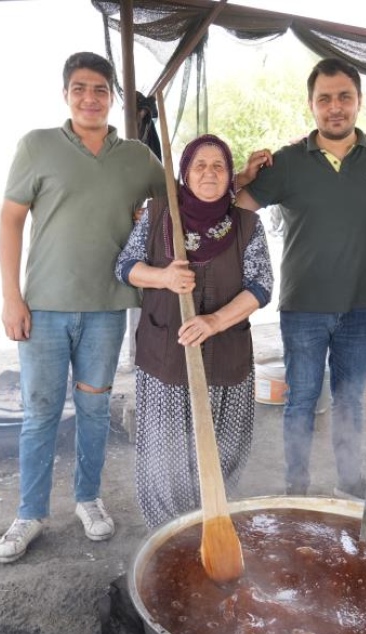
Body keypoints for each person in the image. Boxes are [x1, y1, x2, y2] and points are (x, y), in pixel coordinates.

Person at [235, 57, 366, 505]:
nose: (335, 107)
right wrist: (240, 177)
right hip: (303, 306)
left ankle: (349, 481)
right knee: (302, 402)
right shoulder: (285, 163)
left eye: (344, 96)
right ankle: (297, 490)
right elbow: (234, 209)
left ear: (358, 101)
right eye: (324, 98)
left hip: (362, 306)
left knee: (350, 402)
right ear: (311, 105)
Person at [0, 51, 167, 563]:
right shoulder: (37, 147)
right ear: (66, 94)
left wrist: (239, 176)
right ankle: (29, 513)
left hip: (108, 308)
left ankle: (88, 499)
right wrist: (10, 296)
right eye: (80, 89)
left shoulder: (136, 156)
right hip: (42, 308)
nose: (90, 98)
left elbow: (183, 201)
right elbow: (9, 222)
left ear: (112, 97)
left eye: (100, 90)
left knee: (94, 408)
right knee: (40, 411)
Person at [116, 134, 273, 529]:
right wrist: (164, 277)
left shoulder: (248, 226)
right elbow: (125, 266)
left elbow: (261, 286)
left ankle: (214, 522)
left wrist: (214, 322)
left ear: (230, 177)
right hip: (165, 358)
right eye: (199, 165)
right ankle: (170, 533)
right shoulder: (156, 217)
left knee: (223, 448)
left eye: (218, 166)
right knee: (167, 455)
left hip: (227, 360)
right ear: (185, 173)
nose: (209, 173)